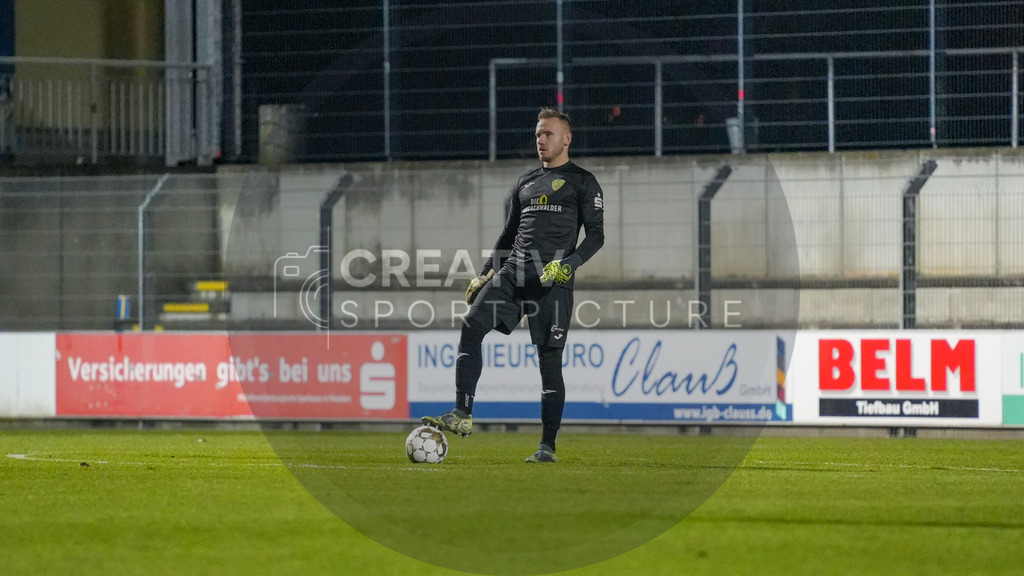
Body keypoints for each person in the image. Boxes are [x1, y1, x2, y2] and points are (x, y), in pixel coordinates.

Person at [422, 108, 606, 463]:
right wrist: (485, 272)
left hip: (552, 282)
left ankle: (547, 446)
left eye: (548, 134)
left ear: (566, 139)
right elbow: (508, 235)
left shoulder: (583, 182)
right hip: (512, 274)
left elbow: (596, 235)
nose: (541, 140)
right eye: (538, 134)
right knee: (471, 324)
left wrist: (569, 265)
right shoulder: (525, 183)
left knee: (549, 362)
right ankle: (462, 413)